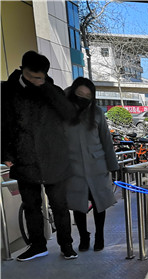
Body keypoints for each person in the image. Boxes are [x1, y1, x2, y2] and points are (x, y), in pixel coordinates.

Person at [1, 51, 77, 261]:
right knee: (30, 205)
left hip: (55, 158)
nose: (36, 81)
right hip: (24, 157)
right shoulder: (7, 91)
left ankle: (66, 245)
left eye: (40, 77)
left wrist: (46, 88)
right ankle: (37, 246)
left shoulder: (53, 91)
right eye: (32, 76)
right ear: (22, 70)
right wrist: (5, 153)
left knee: (60, 205)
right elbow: (3, 124)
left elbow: (70, 115)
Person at [64, 77, 119, 252]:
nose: (83, 98)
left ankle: (99, 236)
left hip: (97, 166)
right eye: (80, 93)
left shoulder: (97, 113)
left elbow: (106, 141)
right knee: (78, 205)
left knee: (99, 203)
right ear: (73, 91)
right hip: (74, 168)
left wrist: (113, 166)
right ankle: (83, 236)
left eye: (88, 96)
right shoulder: (63, 112)